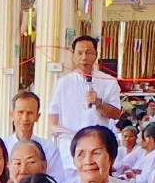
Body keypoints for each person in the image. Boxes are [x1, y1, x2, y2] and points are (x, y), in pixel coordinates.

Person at [49, 35, 122, 164]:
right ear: (73, 55)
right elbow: (53, 116)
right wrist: (62, 133)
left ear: (96, 55)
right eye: (80, 53)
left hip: (97, 145)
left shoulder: (109, 81)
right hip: (70, 147)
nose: (84, 57)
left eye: (88, 53)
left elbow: (116, 114)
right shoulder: (63, 83)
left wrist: (99, 104)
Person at [4, 90, 68, 183]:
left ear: (37, 116)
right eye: (20, 112)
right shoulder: (2, 146)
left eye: (29, 113)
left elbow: (57, 182)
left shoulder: (49, 149)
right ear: (12, 115)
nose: (25, 118)